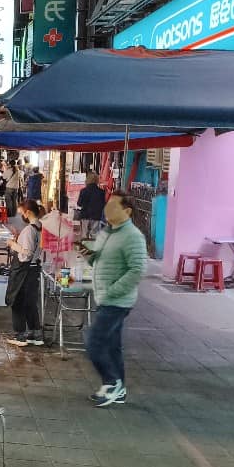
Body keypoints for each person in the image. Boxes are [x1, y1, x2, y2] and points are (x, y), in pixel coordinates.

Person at [82, 194, 146, 407]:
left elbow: (137, 270)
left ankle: (111, 383)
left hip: (117, 300)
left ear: (127, 211)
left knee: (94, 342)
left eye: (113, 205)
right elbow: (100, 260)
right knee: (112, 345)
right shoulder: (106, 232)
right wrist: (88, 255)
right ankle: (120, 389)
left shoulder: (133, 236)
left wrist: (112, 291)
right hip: (105, 297)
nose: (107, 209)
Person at [4, 200, 44, 347]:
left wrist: (13, 244)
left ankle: (20, 335)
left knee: (18, 302)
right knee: (30, 303)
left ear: (27, 212)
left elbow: (26, 254)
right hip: (34, 269)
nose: (21, 215)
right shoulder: (39, 227)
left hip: (24, 271)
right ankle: (35, 334)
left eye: (21, 213)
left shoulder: (29, 230)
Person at [77, 172, 107, 241]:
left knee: (84, 235)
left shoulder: (83, 191)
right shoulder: (101, 192)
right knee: (94, 235)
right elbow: (103, 204)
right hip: (96, 216)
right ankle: (92, 249)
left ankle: (84, 250)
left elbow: (79, 204)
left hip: (85, 216)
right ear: (97, 180)